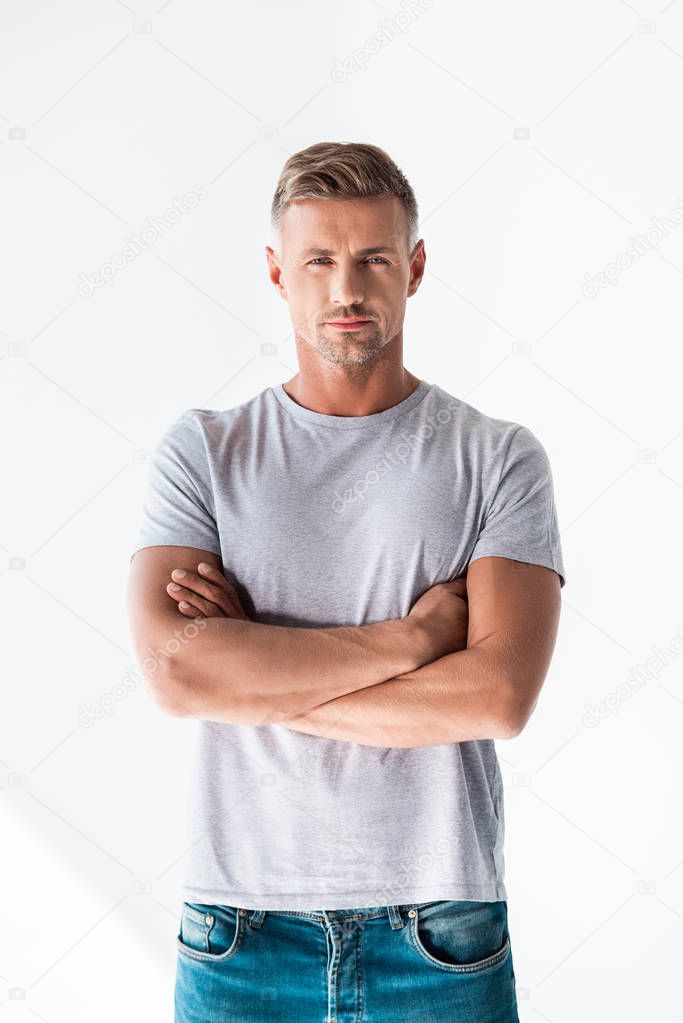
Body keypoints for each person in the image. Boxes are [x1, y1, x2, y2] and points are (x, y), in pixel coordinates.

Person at [126, 141, 566, 1022]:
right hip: (237, 929)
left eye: (372, 258)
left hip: (438, 930)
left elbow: (495, 696)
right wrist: (413, 641)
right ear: (276, 273)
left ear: (415, 268)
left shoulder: (495, 457)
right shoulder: (205, 452)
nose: (345, 289)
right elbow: (179, 671)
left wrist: (252, 674)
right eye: (318, 260)